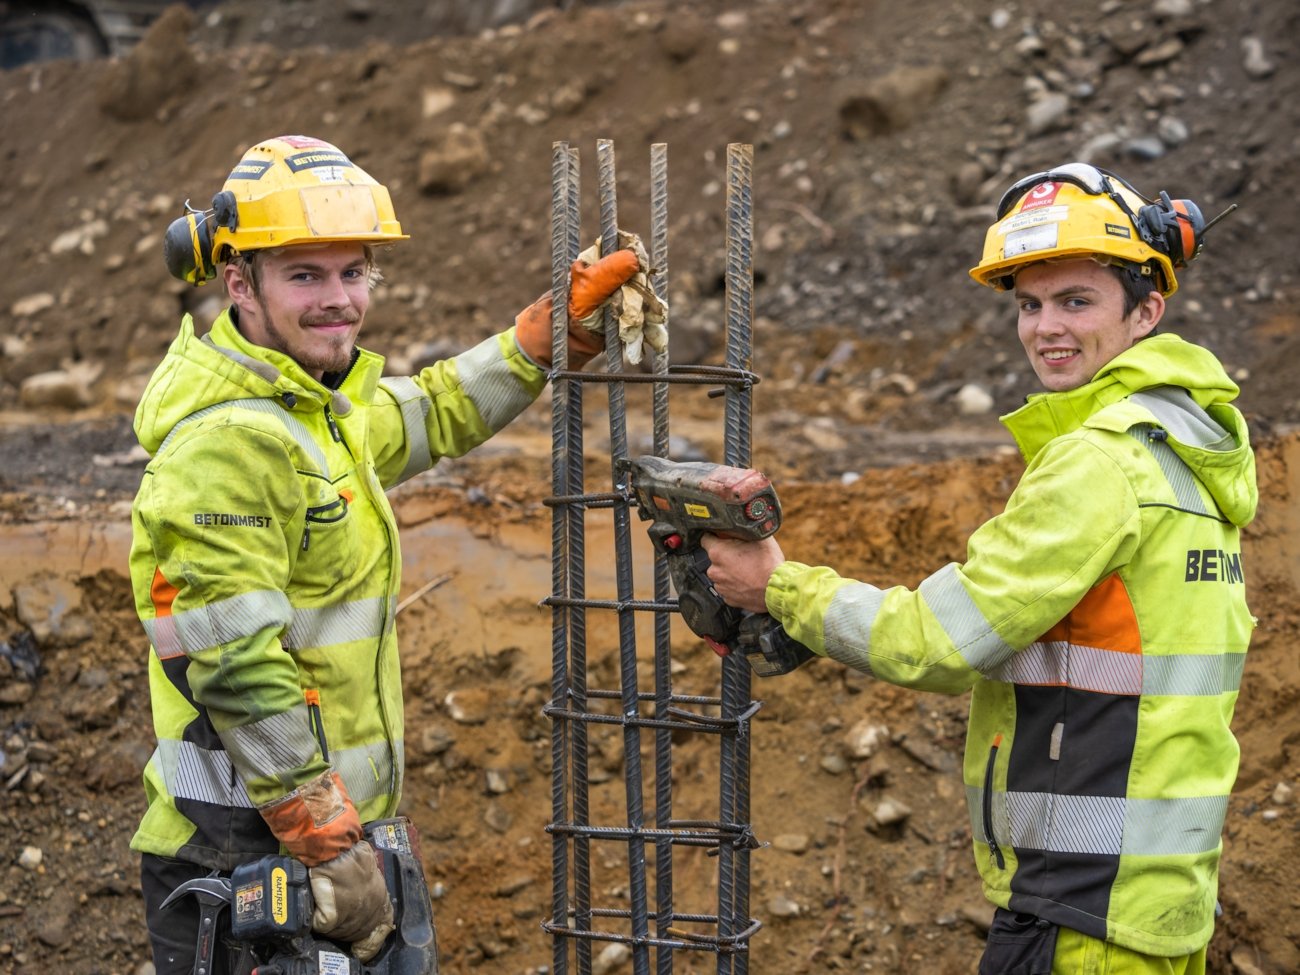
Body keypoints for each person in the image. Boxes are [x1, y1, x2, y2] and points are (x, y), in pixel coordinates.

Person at [702, 163, 1255, 975]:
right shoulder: (1187, 454)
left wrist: (779, 587)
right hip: (1156, 906)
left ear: (1146, 312)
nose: (1045, 328)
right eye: (1030, 305)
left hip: (1081, 913)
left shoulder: (1101, 465)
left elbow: (938, 642)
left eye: (1076, 301)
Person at [130, 134, 646, 974]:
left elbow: (429, 411)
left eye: (354, 271)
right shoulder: (225, 444)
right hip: (246, 852)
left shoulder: (308, 410)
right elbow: (235, 662)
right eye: (306, 275)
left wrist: (540, 341)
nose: (339, 300)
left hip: (328, 837)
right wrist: (329, 844)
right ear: (239, 282)